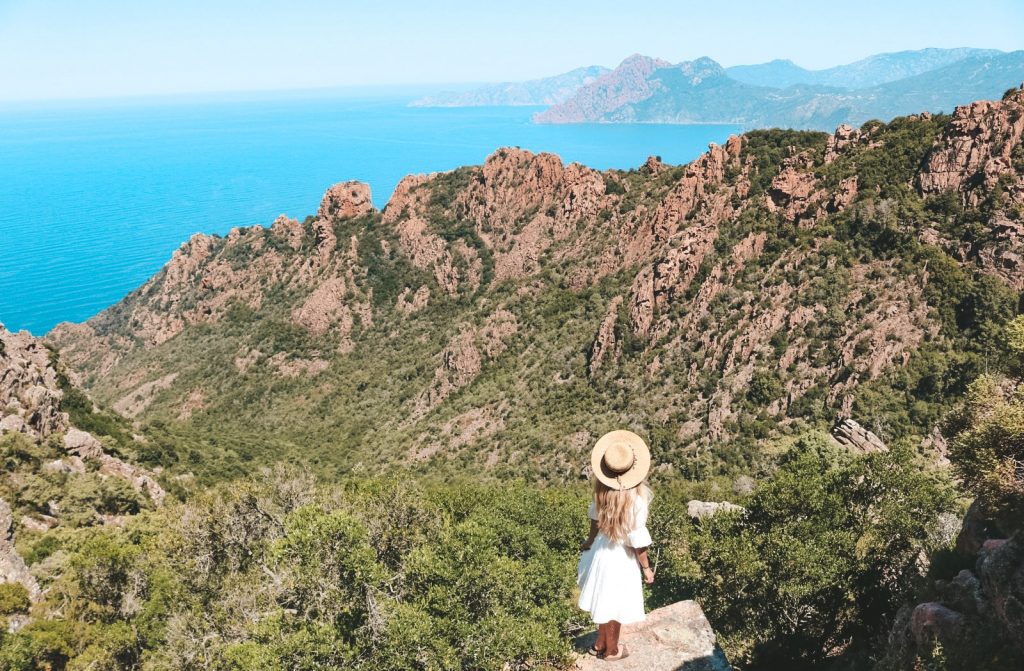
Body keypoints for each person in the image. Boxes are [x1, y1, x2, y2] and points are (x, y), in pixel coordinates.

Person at [577, 430, 655, 662]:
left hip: (601, 552)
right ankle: (612, 650)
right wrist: (646, 568)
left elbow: (594, 522)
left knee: (603, 600)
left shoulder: (601, 495)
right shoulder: (636, 501)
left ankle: (599, 642)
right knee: (617, 606)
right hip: (621, 558)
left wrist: (589, 542)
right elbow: (637, 541)